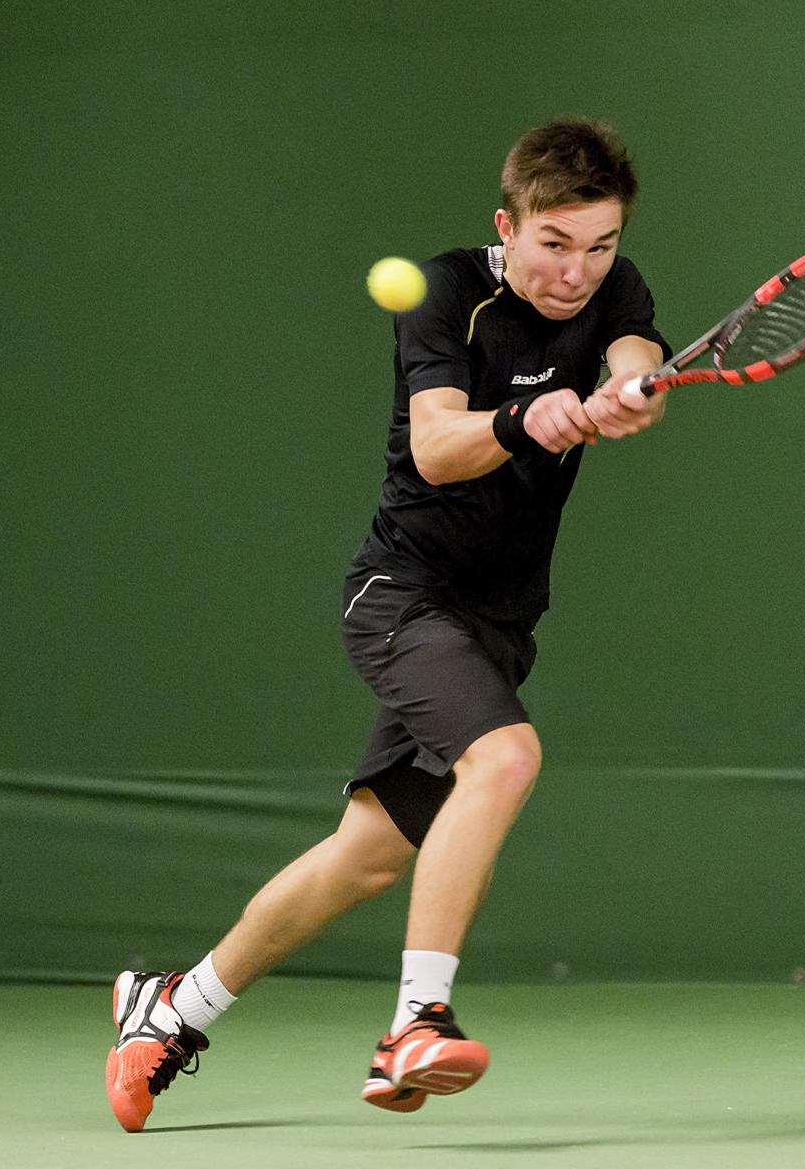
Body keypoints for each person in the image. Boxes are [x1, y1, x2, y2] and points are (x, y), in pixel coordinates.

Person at [105, 116, 672, 1132]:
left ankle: (173, 1008)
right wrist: (525, 418)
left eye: (600, 246)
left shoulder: (613, 291)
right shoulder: (447, 292)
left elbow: (635, 357)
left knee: (366, 856)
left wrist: (631, 391)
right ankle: (416, 1021)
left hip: (499, 620)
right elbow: (438, 449)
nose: (576, 272)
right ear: (508, 225)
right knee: (505, 758)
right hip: (402, 595)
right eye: (554, 244)